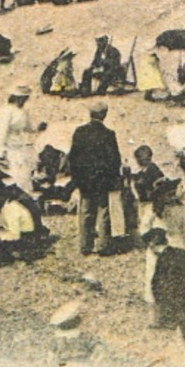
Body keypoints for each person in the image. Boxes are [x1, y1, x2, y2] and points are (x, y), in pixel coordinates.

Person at [68, 103, 123, 256]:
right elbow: (114, 160)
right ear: (104, 115)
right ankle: (103, 245)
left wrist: (76, 179)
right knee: (103, 212)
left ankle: (85, 245)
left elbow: (73, 157)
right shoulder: (108, 134)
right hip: (102, 179)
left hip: (85, 180)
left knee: (85, 211)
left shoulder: (80, 132)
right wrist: (112, 178)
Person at [0, 85, 42, 184]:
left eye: (25, 99)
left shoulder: (23, 111)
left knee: (24, 171)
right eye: (22, 99)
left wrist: (37, 128)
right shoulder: (6, 111)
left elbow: (27, 127)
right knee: (13, 171)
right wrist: (0, 151)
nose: (24, 101)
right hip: (8, 144)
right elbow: (0, 131)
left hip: (20, 143)